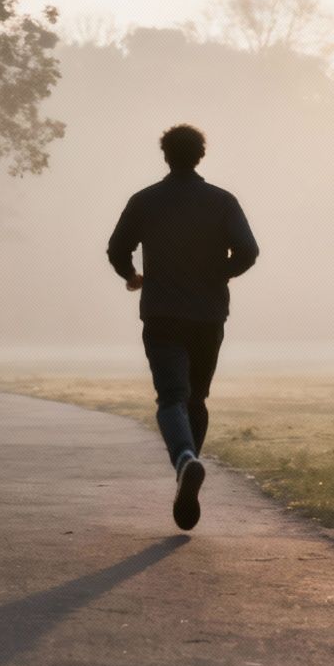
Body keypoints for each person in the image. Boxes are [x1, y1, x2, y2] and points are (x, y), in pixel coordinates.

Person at [106, 124, 259, 530]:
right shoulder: (222, 202)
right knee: (197, 398)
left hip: (162, 313)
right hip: (208, 315)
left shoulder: (145, 201)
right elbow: (249, 251)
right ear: (200, 156)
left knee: (171, 397)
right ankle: (188, 469)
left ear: (165, 156)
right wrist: (219, 273)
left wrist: (131, 273)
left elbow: (117, 247)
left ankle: (185, 461)